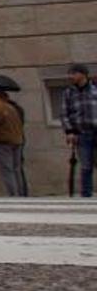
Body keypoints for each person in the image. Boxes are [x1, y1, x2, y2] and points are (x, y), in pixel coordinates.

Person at [62, 64, 97, 198]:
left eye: (73, 73)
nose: (71, 76)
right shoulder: (69, 92)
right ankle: (86, 194)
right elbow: (65, 113)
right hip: (82, 133)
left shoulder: (94, 88)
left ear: (83, 74)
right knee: (86, 165)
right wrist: (69, 131)